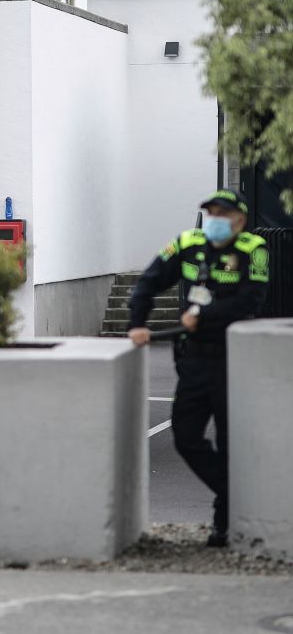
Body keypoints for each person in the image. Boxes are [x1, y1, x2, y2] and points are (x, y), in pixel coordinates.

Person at [128, 189, 268, 548]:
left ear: (239, 219)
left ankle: (223, 525)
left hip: (233, 357)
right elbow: (149, 281)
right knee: (187, 437)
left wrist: (203, 314)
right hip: (193, 359)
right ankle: (233, 494)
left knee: (229, 440)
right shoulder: (189, 243)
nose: (215, 220)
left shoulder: (253, 249)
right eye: (210, 212)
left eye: (223, 213)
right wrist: (137, 323)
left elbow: (250, 301)